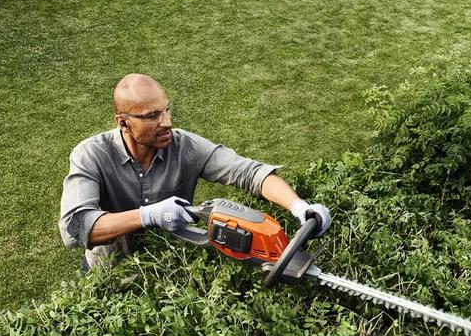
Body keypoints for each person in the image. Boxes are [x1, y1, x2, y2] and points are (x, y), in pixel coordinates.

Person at [58, 73, 331, 269]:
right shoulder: (90, 154)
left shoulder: (183, 145)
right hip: (110, 271)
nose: (167, 122)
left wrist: (299, 206)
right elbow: (76, 225)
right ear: (123, 122)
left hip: (172, 266)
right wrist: (148, 215)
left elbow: (249, 172)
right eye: (153, 116)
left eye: (166, 110)